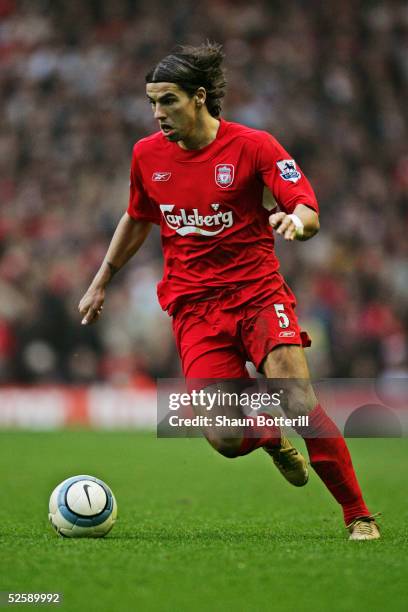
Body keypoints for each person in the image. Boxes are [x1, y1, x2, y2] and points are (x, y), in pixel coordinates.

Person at [79, 42, 380, 541]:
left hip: (258, 295)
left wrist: (295, 223)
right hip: (194, 308)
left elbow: (307, 209)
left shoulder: (254, 146)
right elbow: (137, 216)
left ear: (199, 97)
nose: (158, 114)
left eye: (168, 101)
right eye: (152, 102)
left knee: (296, 398)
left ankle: (359, 515)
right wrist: (101, 279)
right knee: (224, 437)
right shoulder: (146, 156)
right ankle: (270, 438)